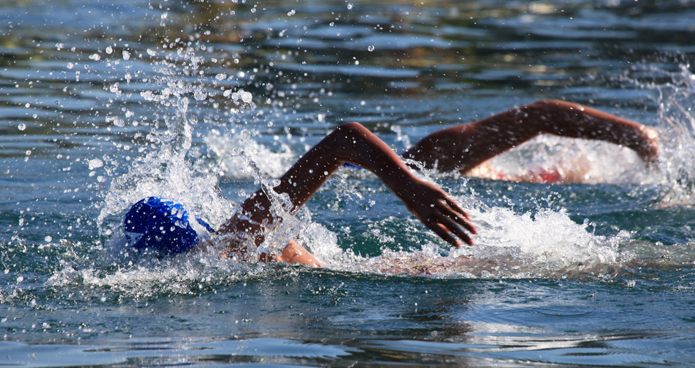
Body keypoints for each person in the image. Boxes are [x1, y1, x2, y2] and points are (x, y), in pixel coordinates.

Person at [124, 100, 659, 267]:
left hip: (395, 216)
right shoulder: (221, 249)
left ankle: (642, 145)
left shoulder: (234, 241)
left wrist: (410, 187)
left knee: (563, 261)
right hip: (361, 269)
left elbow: (346, 137)